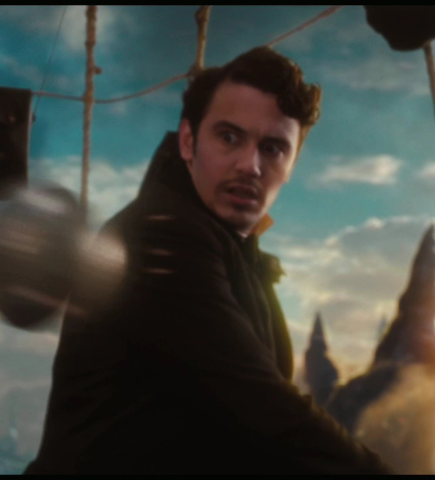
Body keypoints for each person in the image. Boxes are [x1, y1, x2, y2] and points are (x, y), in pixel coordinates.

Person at [23, 47, 393, 474]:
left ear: (292, 164)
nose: (250, 165)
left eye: (273, 148)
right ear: (188, 141)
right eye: (229, 138)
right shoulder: (158, 237)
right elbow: (262, 405)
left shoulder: (236, 252)